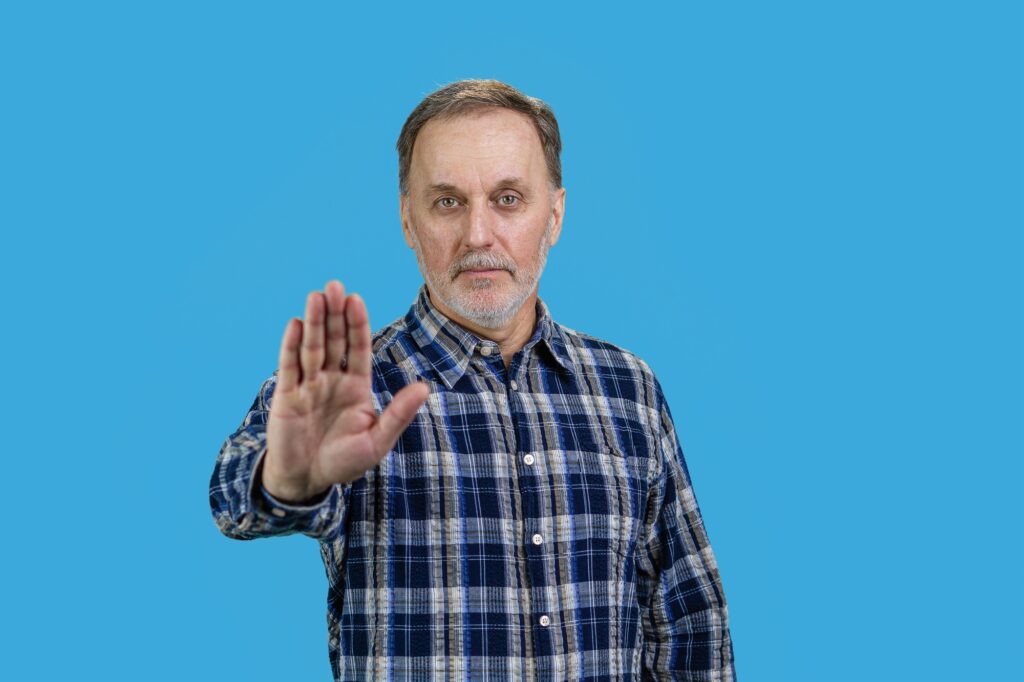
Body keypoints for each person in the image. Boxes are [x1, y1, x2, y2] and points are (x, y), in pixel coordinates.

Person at [209, 79, 735, 681]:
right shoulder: (348, 387)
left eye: (508, 199)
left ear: (555, 214)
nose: (478, 234)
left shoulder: (629, 390)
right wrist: (287, 480)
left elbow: (689, 619)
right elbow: (234, 497)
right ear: (408, 220)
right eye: (447, 202)